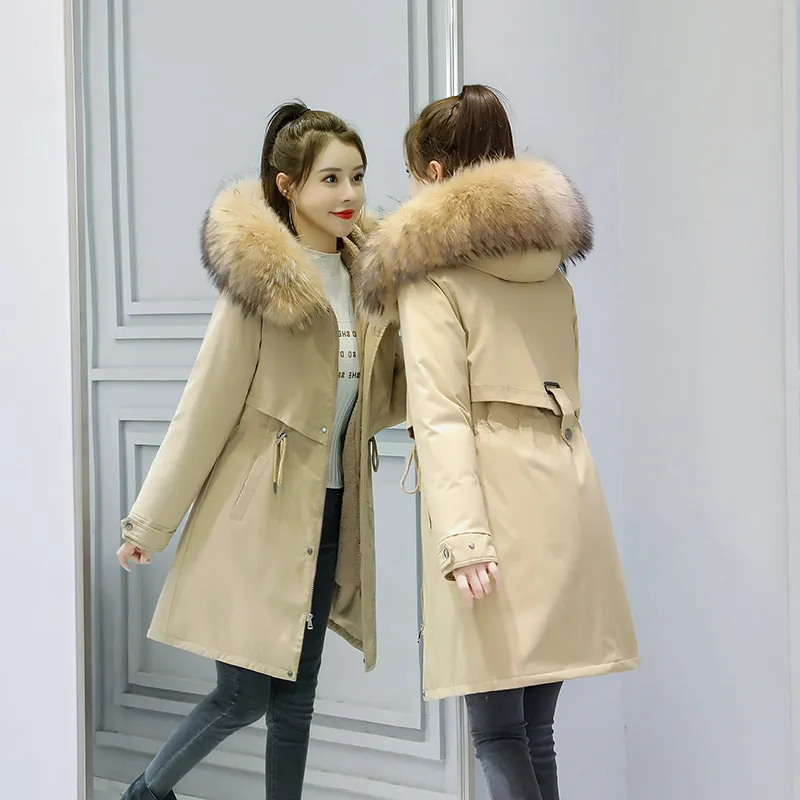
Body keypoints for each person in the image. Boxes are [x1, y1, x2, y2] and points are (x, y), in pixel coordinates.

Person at [353, 84, 639, 800]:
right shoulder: (551, 268)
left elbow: (441, 414)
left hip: (489, 509)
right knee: (533, 730)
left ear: (436, 174)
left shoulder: (430, 277)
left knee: (496, 733)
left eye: (413, 173)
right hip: (565, 498)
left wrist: (464, 539)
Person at [116, 101, 405, 800]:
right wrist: (149, 524)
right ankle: (144, 794)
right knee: (243, 696)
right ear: (287, 186)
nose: (349, 194)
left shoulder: (371, 284)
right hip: (257, 516)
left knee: (297, 700)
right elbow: (204, 409)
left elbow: (383, 400)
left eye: (357, 176)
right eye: (330, 179)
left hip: (332, 512)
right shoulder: (261, 285)